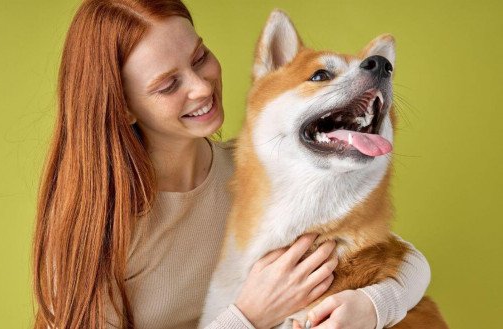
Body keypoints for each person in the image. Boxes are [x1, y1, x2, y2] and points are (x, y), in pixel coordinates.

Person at [32, 1, 431, 329]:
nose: (202, 87)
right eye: (169, 84)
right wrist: (249, 318)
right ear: (122, 106)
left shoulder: (262, 168)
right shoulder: (95, 226)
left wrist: (376, 304)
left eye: (200, 57)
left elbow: (403, 260)